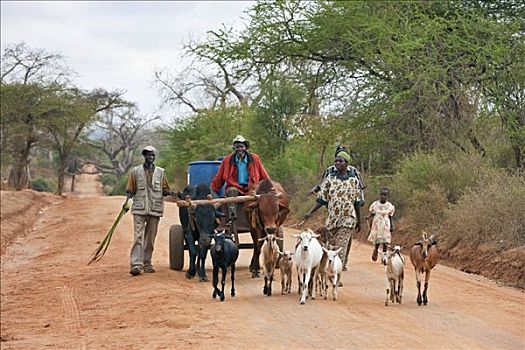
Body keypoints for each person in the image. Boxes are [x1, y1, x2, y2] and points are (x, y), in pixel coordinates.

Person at [309, 145, 365, 270]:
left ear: (347, 162)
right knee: (330, 246)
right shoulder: (330, 177)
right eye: (336, 160)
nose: (338, 163)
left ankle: (336, 274)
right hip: (332, 218)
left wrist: (359, 221)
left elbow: (357, 200)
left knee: (341, 247)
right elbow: (321, 198)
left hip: (348, 218)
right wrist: (310, 212)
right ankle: (329, 269)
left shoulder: (354, 178)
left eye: (341, 161)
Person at [124, 145, 174, 276]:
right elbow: (130, 190)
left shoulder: (161, 172)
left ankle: (147, 263)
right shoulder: (135, 172)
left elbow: (165, 190)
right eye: (148, 155)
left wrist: (175, 193)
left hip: (154, 209)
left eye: (152, 155)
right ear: (144, 156)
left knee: (150, 238)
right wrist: (126, 203)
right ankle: (136, 264)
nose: (150, 157)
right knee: (138, 237)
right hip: (139, 209)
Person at [367, 187, 395, 262]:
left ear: (388, 196)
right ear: (379, 195)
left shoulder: (389, 206)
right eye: (382, 194)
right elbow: (372, 213)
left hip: (385, 224)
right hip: (377, 223)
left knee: (385, 240)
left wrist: (392, 225)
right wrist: (368, 217)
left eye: (385, 195)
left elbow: (390, 216)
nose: (383, 196)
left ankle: (384, 255)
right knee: (377, 240)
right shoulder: (375, 204)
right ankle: (375, 250)